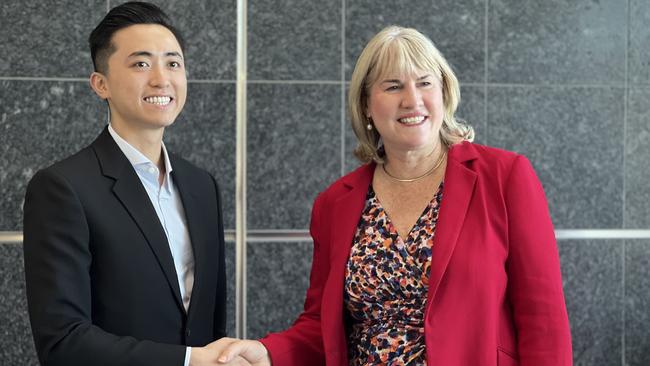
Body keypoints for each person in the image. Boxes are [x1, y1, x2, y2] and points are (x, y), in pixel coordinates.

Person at [215, 26, 573, 365]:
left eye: (424, 83)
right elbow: (320, 328)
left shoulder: (504, 177)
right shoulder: (334, 204)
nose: (412, 100)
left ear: (444, 93)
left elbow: (543, 319)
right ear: (367, 105)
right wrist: (267, 353)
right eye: (393, 86)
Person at [23, 2, 229, 365]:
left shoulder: (202, 187)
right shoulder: (63, 188)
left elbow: (209, 323)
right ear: (100, 84)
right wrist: (188, 360)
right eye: (141, 63)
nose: (161, 79)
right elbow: (62, 342)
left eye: (173, 63)